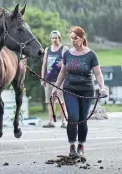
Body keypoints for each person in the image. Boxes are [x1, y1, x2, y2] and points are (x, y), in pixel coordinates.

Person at [52, 26, 107, 158]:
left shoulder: (91, 55)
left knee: (82, 120)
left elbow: (98, 74)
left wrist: (102, 87)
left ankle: (81, 145)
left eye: (75, 38)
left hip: (86, 91)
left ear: (82, 39)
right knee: (73, 118)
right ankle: (72, 146)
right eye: (71, 38)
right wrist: (55, 88)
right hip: (70, 89)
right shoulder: (67, 54)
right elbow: (62, 72)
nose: (73, 41)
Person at [41, 30, 69, 128]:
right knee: (50, 102)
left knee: (61, 102)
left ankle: (64, 122)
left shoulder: (64, 49)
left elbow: (69, 62)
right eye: (53, 38)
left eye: (56, 38)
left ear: (59, 38)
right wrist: (42, 78)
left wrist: (63, 64)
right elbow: (44, 64)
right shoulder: (47, 49)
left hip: (60, 80)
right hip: (49, 79)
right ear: (51, 39)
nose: (54, 39)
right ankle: (51, 122)